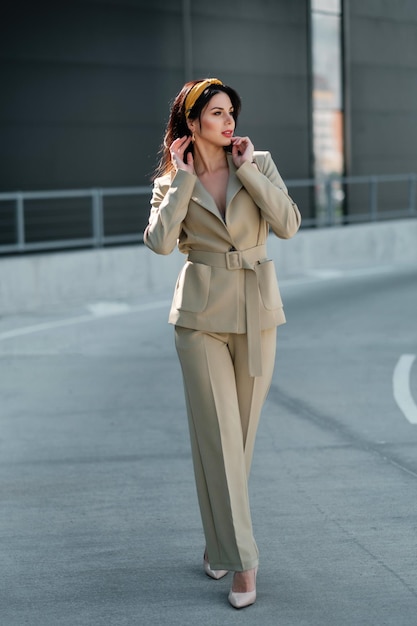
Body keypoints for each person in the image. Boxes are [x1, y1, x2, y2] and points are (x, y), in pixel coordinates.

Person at [143, 78, 301, 609]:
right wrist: (183, 180)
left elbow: (289, 224)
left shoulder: (258, 162)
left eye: (231, 111)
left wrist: (249, 172)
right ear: (193, 123)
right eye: (216, 112)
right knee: (219, 438)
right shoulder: (173, 179)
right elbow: (161, 243)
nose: (229, 120)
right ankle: (244, 563)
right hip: (201, 319)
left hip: (257, 312)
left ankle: (219, 542)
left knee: (240, 444)